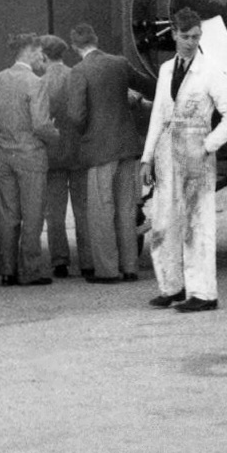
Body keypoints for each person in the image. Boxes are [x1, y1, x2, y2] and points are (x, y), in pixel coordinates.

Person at [140, 8, 227, 312]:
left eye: (196, 37)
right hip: (166, 148)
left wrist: (207, 145)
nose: (190, 42)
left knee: (197, 223)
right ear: (173, 34)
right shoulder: (166, 70)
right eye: (185, 36)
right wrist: (146, 159)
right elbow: (158, 114)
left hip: (196, 149)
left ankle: (203, 293)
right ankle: (171, 286)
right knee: (163, 220)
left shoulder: (211, 70)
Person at [0, 33, 58, 286]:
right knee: (33, 215)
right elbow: (42, 124)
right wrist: (56, 137)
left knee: (9, 214)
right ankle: (30, 271)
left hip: (5, 156)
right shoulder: (36, 83)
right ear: (31, 52)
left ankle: (7, 270)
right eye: (39, 53)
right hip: (31, 156)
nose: (41, 57)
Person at [67, 23, 146, 285]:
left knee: (101, 210)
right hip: (128, 145)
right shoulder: (119, 63)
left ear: (74, 46)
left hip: (100, 149)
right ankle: (130, 267)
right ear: (97, 38)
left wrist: (86, 131)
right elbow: (144, 85)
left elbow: (76, 115)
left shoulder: (79, 71)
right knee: (126, 208)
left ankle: (108, 270)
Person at [39, 35, 93, 279]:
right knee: (83, 210)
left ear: (43, 55)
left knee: (55, 212)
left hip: (53, 154)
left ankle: (59, 261)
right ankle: (88, 261)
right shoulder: (77, 75)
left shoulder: (41, 82)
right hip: (79, 152)